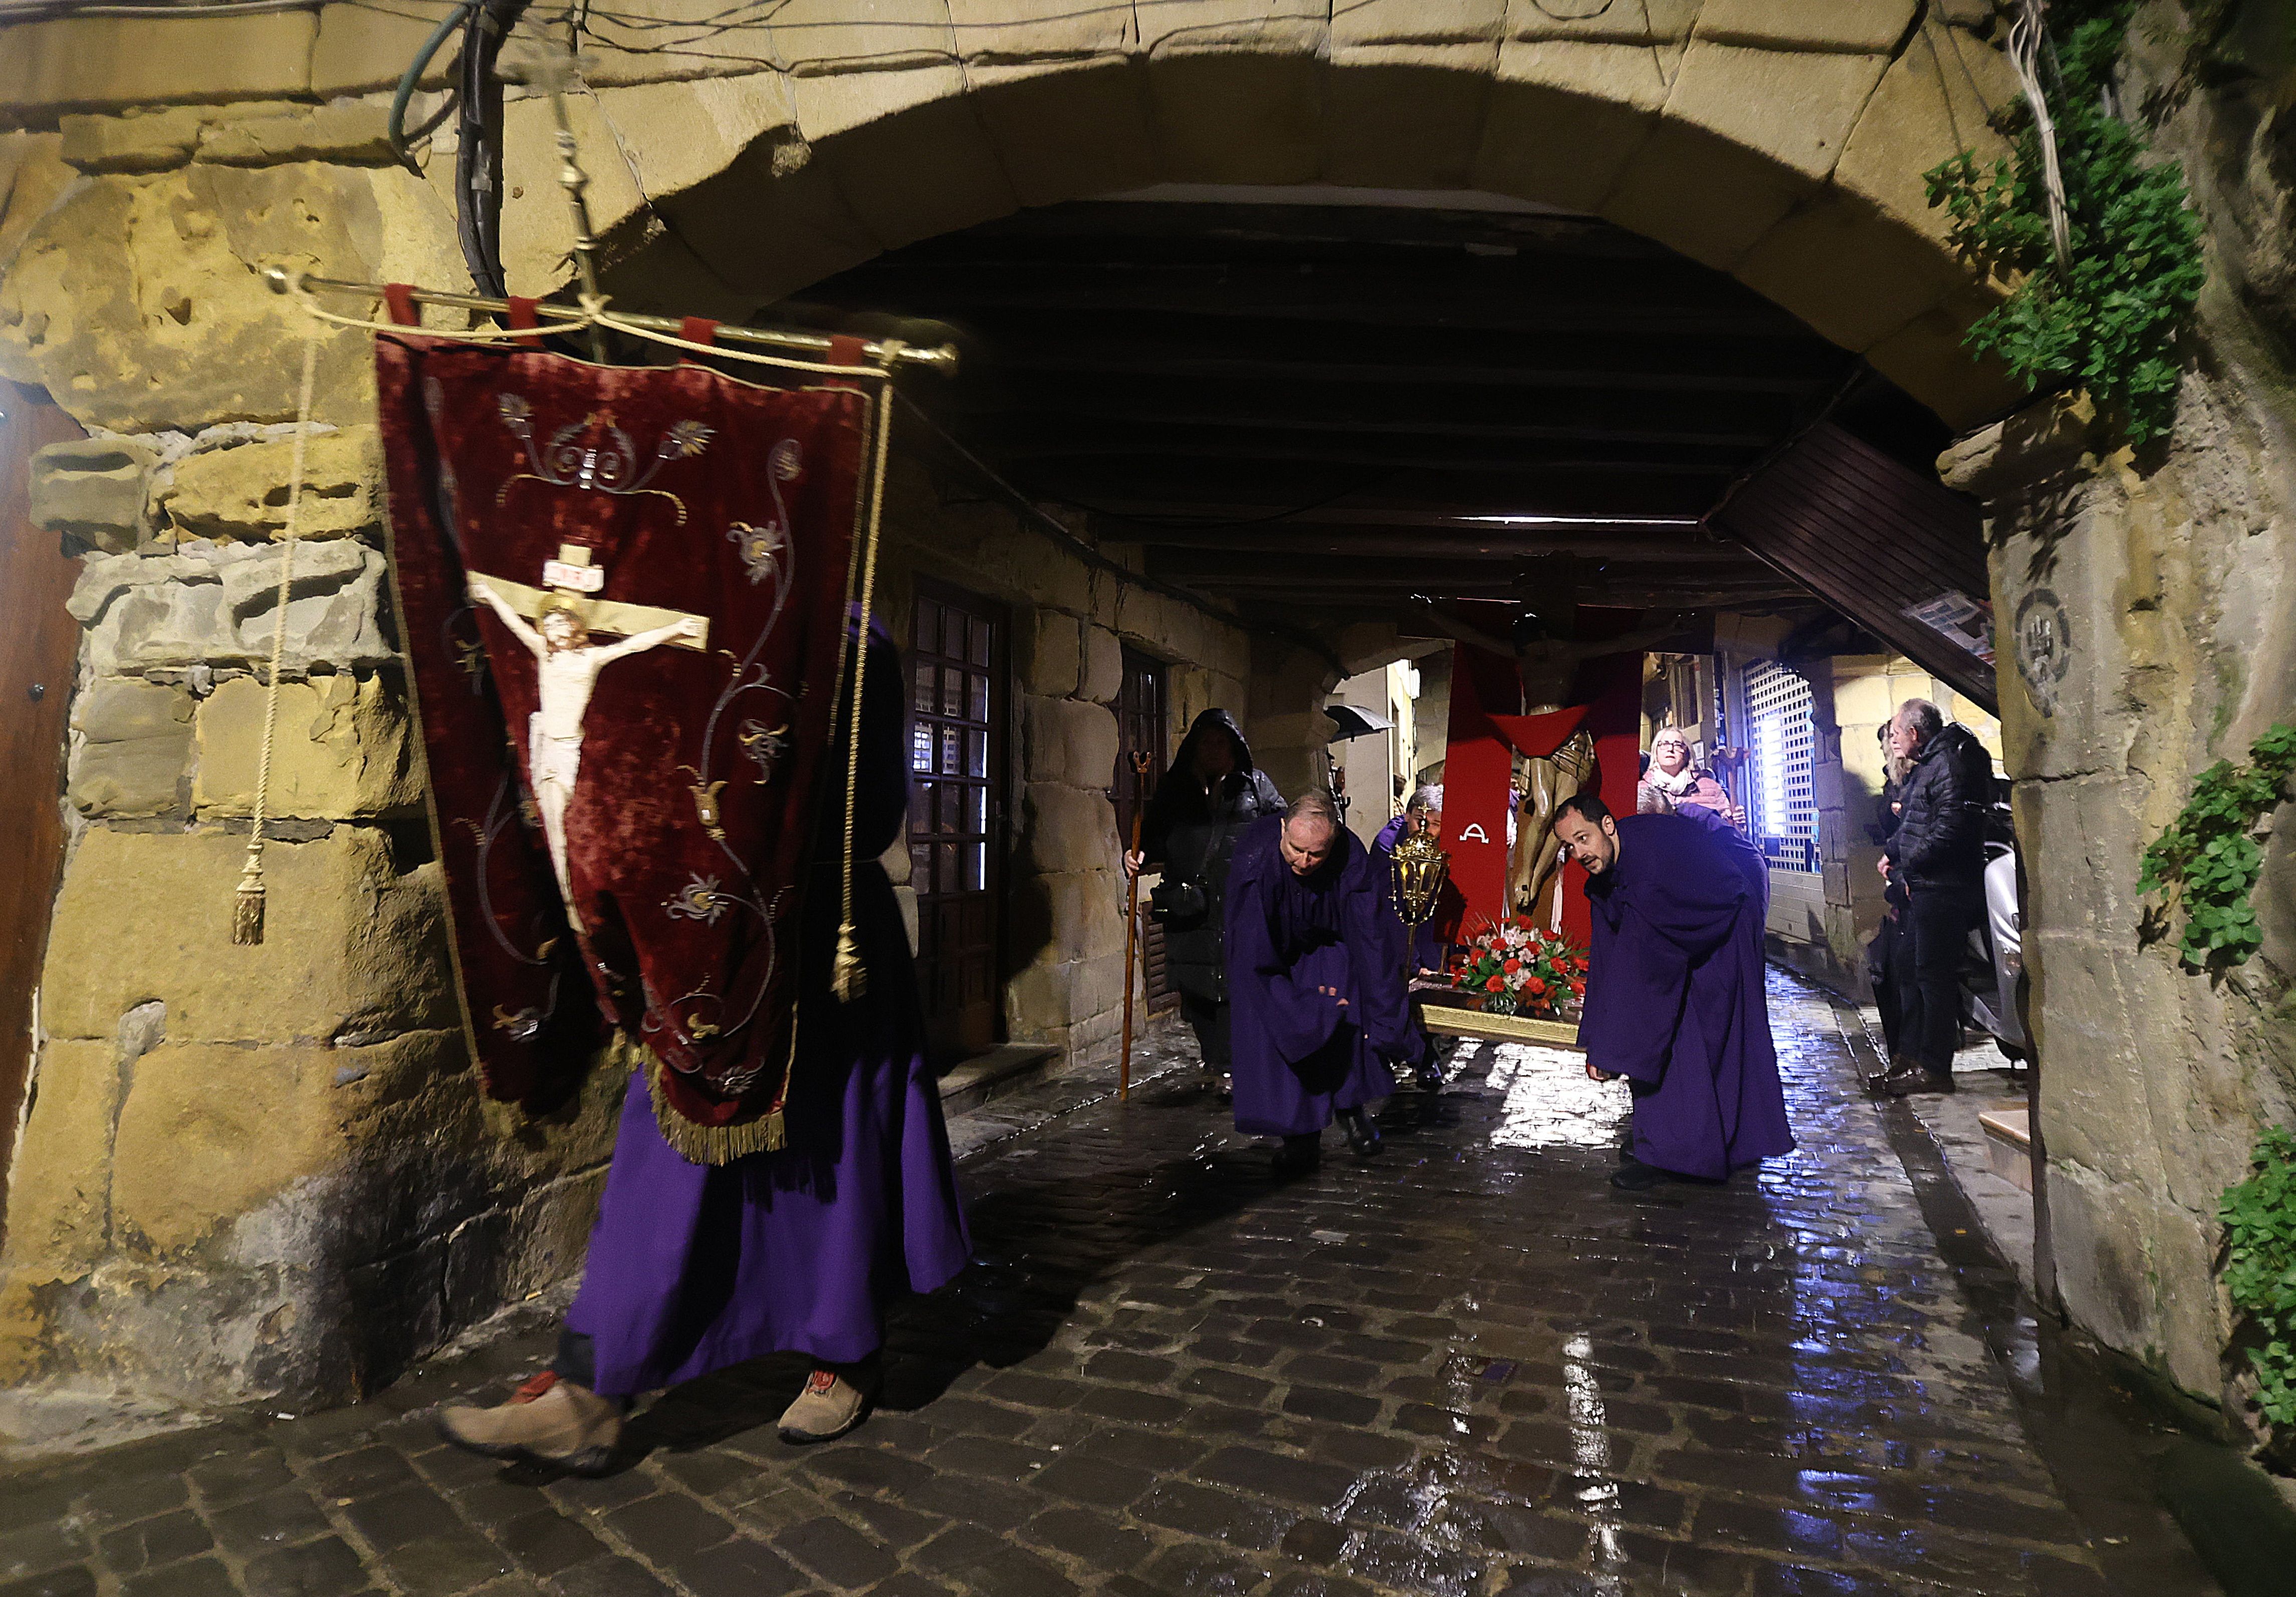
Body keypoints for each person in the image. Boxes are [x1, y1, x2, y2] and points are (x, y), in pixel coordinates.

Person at [435, 622, 970, 1471]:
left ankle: (845, 1351)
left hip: (822, 935)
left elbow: (870, 811)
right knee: (665, 1157)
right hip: (702, 931)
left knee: (834, 1153)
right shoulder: (698, 614)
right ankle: (590, 1388)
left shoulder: (858, 638)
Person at [1553, 791, 1794, 1192]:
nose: (1580, 853)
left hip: (1724, 935)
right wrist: (1600, 1039)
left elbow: (1642, 973)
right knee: (1671, 1044)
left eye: (1584, 838)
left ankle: (1676, 1152)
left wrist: (1614, 1050)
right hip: (1685, 938)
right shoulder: (1609, 868)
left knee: (1685, 1043)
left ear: (1608, 827)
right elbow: (1609, 958)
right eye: (1570, 846)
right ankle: (1668, 1145)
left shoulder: (1649, 867)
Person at [1226, 791, 1428, 1172]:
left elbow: (1369, 934)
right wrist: (1290, 1004)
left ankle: (1351, 1109)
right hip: (1272, 953)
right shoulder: (1257, 859)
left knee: (1344, 1009)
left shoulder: (1349, 856)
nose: (1304, 862)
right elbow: (1252, 949)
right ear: (1283, 829)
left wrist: (1387, 1012)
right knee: (1287, 1027)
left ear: (1333, 841)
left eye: (1316, 854)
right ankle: (1299, 1138)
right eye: (1296, 849)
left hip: (1330, 944)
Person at [1125, 710, 1284, 1095]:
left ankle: (1229, 1064)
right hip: (1191, 905)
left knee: (1235, 985)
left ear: (1233, 746)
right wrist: (1137, 855)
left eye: (1220, 742)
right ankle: (1213, 1058)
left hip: (1241, 904)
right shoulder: (1175, 788)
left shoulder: (1256, 786)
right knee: (1196, 986)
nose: (1212, 749)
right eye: (1206, 742)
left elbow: (1283, 828)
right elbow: (1153, 837)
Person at [1877, 698, 1993, 1098]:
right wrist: (1892, 852)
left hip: (1943, 887)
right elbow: (1915, 820)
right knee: (1912, 971)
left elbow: (1949, 828)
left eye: (1895, 733)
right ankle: (1911, 1058)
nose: (1892, 740)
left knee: (1934, 977)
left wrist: (1910, 864)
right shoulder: (1930, 762)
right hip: (1926, 884)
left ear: (1914, 733)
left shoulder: (1950, 763)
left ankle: (1935, 1067)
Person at [1372, 784, 1461, 1091]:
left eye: (1437, 824)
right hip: (1393, 927)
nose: (1428, 830)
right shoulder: (1388, 846)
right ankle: (1406, 1057)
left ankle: (1426, 1054)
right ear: (1408, 816)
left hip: (1428, 928)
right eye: (1420, 821)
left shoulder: (1444, 846)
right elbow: (1386, 902)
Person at [1864, 723, 1917, 1064]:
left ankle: (1911, 1051)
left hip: (1917, 883)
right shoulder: (1893, 780)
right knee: (1896, 968)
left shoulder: (1925, 775)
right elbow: (1888, 823)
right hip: (1901, 884)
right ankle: (1902, 1048)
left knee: (1911, 971)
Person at [1645, 727, 1743, 827]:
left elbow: (1728, 830)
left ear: (1687, 753)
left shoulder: (1710, 787)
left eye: (1678, 745)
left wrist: (1738, 822)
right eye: (1665, 744)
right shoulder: (1642, 789)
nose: (1671, 749)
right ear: (1656, 751)